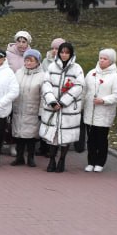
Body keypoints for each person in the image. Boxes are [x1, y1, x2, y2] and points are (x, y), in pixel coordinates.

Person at [38, 41, 85, 173]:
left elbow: (79, 86)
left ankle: (62, 160)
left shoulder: (77, 68)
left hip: (68, 108)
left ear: (71, 54)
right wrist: (52, 101)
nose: (64, 55)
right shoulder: (52, 67)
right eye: (62, 52)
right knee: (52, 136)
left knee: (66, 135)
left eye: (67, 52)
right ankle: (52, 160)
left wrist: (64, 101)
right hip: (53, 107)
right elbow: (46, 83)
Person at [81, 49, 117, 173]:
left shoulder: (115, 77)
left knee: (101, 139)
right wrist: (81, 106)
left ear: (111, 61)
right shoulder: (91, 73)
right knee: (91, 139)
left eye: (105, 59)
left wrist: (103, 100)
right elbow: (84, 91)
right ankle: (91, 161)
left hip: (104, 113)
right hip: (90, 112)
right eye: (100, 58)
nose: (102, 60)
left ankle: (100, 162)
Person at [9, 49, 44, 167]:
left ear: (38, 62)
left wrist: (41, 112)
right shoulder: (19, 73)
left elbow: (43, 96)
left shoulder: (42, 76)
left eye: (31, 60)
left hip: (32, 110)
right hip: (18, 108)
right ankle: (19, 157)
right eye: (26, 60)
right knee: (18, 135)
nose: (28, 63)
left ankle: (30, 157)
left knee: (31, 136)